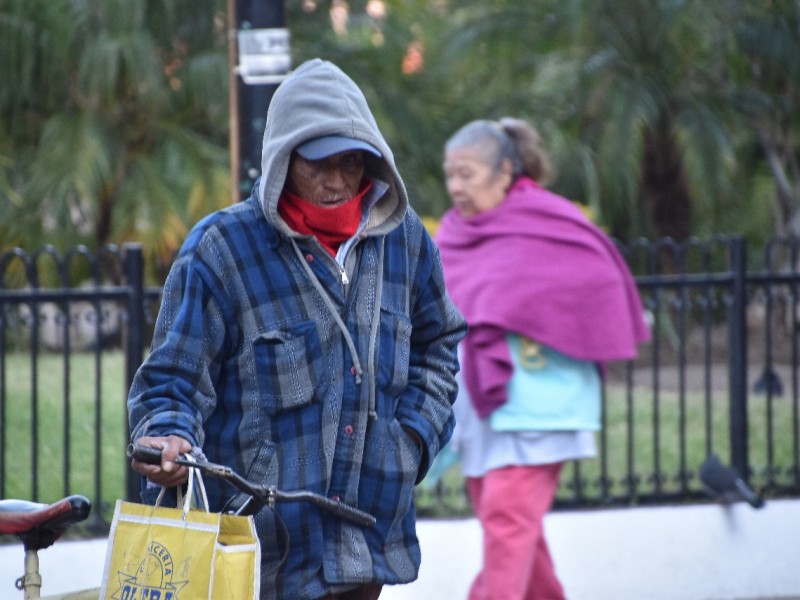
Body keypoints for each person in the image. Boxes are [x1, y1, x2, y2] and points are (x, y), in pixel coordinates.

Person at [127, 58, 467, 600]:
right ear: (283, 160)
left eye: (352, 163)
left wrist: (413, 443)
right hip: (259, 554)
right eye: (318, 165)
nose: (337, 182)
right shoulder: (221, 251)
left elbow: (439, 344)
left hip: (368, 544)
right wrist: (170, 436)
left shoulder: (405, 239)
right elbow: (172, 379)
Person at [435, 118, 650, 600]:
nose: (455, 186)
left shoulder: (550, 220)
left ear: (505, 170)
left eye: (466, 173)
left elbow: (598, 286)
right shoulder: (452, 232)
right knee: (518, 538)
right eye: (450, 174)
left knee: (506, 524)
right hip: (483, 412)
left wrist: (529, 310)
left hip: (540, 408)